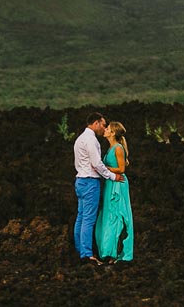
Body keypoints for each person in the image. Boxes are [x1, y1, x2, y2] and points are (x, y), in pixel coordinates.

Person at [73, 112, 124, 264]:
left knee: (81, 217)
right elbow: (96, 164)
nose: (104, 128)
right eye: (103, 124)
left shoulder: (80, 138)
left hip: (80, 181)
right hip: (90, 182)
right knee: (88, 219)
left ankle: (80, 249)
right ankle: (87, 255)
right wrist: (113, 176)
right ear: (95, 123)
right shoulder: (90, 140)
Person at [94, 121, 134, 262]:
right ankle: (108, 250)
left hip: (117, 183)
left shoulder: (118, 148)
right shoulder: (110, 148)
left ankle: (112, 252)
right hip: (110, 182)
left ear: (113, 133)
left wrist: (103, 168)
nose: (105, 130)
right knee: (109, 215)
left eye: (108, 129)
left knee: (115, 216)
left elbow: (122, 169)